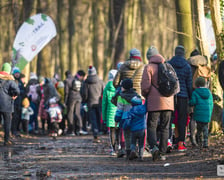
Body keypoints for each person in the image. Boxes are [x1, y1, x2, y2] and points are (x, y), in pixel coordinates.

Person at [141, 46, 174, 161]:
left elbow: (145, 87)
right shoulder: (168, 66)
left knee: (152, 125)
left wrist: (146, 95)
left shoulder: (148, 67)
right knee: (165, 127)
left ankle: (154, 147)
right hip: (169, 101)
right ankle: (162, 153)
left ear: (148, 57)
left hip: (154, 102)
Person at [169, 45, 192, 151]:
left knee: (170, 118)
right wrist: (190, 97)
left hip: (171, 96)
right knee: (182, 120)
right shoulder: (187, 66)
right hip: (183, 96)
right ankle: (180, 144)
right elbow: (189, 84)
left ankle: (169, 141)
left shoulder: (169, 64)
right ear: (183, 53)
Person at [187, 49, 210, 146]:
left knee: (193, 117)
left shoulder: (189, 65)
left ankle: (193, 138)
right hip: (205, 93)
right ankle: (203, 140)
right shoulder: (205, 65)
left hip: (193, 93)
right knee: (204, 122)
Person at [115, 78, 138, 159]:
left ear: (123, 87)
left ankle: (128, 151)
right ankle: (134, 150)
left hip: (125, 119)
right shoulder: (136, 95)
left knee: (127, 136)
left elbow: (119, 111)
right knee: (134, 135)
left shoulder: (121, 97)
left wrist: (116, 120)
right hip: (135, 119)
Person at [81, 66, 104, 143]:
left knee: (93, 118)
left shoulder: (86, 82)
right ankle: (99, 130)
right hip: (98, 102)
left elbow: (84, 93)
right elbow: (103, 91)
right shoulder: (100, 81)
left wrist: (85, 100)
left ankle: (95, 133)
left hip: (90, 102)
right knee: (98, 117)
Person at [189, 77, 213, 148]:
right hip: (207, 114)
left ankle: (199, 142)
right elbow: (211, 103)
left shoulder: (195, 92)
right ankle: (205, 142)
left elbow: (193, 102)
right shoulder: (209, 92)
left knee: (199, 129)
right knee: (205, 128)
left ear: (196, 84)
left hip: (198, 114)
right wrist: (210, 112)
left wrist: (189, 103)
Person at [0, 63, 20, 145]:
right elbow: (17, 91)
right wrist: (14, 95)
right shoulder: (10, 80)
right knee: (7, 123)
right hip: (6, 105)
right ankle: (6, 140)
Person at [65, 70, 87, 136]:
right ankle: (80, 128)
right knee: (78, 113)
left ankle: (71, 130)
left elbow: (66, 92)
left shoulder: (67, 80)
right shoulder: (79, 80)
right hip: (79, 98)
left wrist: (65, 101)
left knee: (70, 114)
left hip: (71, 98)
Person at [102, 69, 119, 156]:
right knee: (119, 130)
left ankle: (113, 149)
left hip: (110, 113)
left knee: (112, 131)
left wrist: (104, 117)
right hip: (119, 111)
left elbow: (104, 103)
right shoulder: (120, 86)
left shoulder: (107, 88)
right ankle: (120, 147)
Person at [125, 96, 147, 161]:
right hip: (142, 129)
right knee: (141, 143)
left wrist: (126, 126)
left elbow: (128, 120)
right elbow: (146, 105)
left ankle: (133, 150)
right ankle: (141, 156)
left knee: (133, 142)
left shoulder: (131, 111)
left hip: (133, 130)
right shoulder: (143, 108)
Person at [11, 67, 26, 137]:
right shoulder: (12, 81)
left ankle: (17, 130)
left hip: (19, 102)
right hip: (13, 102)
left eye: (18, 73)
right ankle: (13, 131)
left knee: (19, 117)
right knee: (14, 117)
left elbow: (23, 91)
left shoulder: (20, 82)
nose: (17, 74)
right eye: (16, 73)